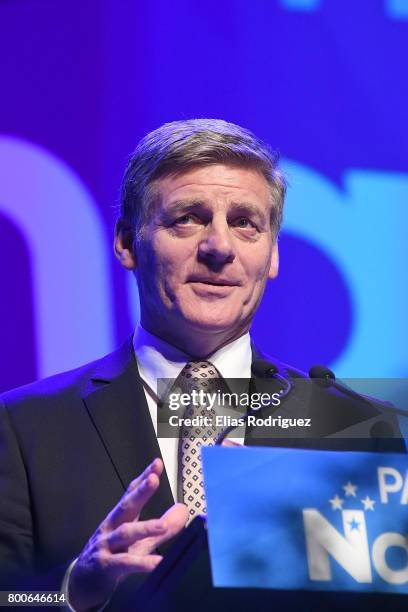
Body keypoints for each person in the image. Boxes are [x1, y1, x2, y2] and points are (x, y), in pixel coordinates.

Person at [0, 119, 404, 611]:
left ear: (272, 255)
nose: (219, 247)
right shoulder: (23, 428)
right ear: (127, 242)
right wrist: (72, 589)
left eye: (245, 223)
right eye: (187, 219)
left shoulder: (354, 427)